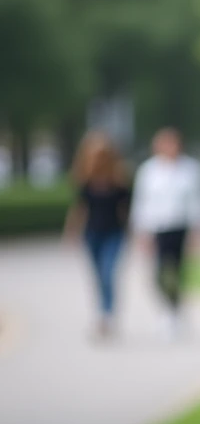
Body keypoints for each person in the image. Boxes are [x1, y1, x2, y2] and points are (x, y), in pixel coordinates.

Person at [129, 127, 200, 338]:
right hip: (157, 227)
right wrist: (140, 231)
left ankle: (174, 311)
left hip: (181, 226)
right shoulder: (148, 171)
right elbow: (142, 202)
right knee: (158, 273)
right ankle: (168, 307)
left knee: (177, 271)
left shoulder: (192, 169)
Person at [62, 131, 132, 339]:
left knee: (108, 272)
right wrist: (71, 232)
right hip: (91, 234)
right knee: (98, 276)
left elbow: (126, 210)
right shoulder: (84, 180)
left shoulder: (119, 181)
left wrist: (134, 233)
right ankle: (101, 311)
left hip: (114, 233)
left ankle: (107, 315)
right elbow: (79, 209)